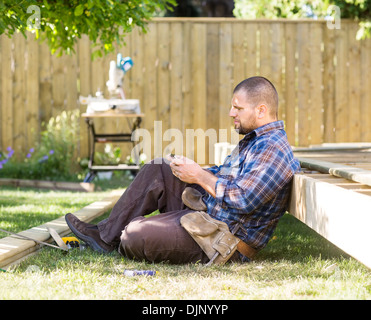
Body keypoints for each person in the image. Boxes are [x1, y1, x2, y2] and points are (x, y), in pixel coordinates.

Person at [65, 76, 301, 264]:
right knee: (159, 167)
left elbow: (244, 198)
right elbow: (226, 174)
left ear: (261, 110)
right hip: (209, 213)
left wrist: (198, 175)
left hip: (222, 239)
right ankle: (105, 237)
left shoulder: (273, 150)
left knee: (133, 236)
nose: (231, 113)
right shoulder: (255, 140)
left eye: (237, 108)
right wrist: (192, 169)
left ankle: (123, 235)